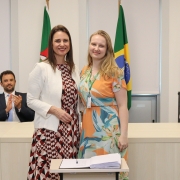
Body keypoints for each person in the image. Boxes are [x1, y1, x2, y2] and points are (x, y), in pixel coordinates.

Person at [27, 25, 81, 180]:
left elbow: (76, 99)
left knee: (68, 175)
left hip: (71, 131)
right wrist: (54, 110)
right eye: (57, 41)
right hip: (49, 131)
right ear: (51, 44)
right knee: (49, 174)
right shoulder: (41, 68)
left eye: (65, 40)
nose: (62, 44)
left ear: (70, 44)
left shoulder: (73, 68)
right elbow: (30, 100)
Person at [78, 30, 128, 166]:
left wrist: (124, 135)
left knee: (108, 169)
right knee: (88, 171)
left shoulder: (115, 72)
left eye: (101, 46)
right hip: (88, 126)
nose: (96, 48)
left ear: (107, 50)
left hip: (108, 129)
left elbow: (123, 105)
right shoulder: (84, 70)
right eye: (93, 44)